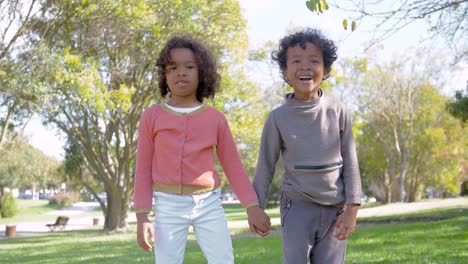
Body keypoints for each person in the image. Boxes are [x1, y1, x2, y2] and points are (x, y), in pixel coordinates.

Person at [133, 35, 270, 264]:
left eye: (189, 66)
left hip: (208, 204)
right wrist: (142, 215)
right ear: (164, 75)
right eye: (172, 67)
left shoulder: (215, 119)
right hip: (167, 205)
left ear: (202, 73)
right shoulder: (151, 117)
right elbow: (143, 169)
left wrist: (252, 206)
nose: (181, 72)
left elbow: (233, 166)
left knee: (223, 260)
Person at [252, 28, 362, 264]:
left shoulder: (338, 110)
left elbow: (351, 162)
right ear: (285, 71)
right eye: (296, 61)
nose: (305, 66)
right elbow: (265, 166)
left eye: (314, 60)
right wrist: (255, 207)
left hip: (335, 210)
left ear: (326, 70)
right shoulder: (277, 118)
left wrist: (351, 209)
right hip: (297, 207)